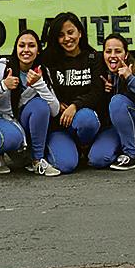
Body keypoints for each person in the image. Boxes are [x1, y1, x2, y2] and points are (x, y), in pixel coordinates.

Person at [0, 30, 61, 176]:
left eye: (31, 46)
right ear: (16, 49)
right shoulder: (3, 66)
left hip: (19, 119)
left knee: (40, 106)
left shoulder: (42, 71)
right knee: (12, 138)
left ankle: (37, 160)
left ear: (38, 51)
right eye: (22, 46)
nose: (26, 50)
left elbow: (54, 110)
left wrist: (39, 84)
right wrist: (2, 85)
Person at [41, 12, 106, 172]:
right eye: (61, 35)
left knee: (87, 119)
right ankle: (69, 149)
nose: (67, 39)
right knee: (66, 165)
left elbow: (97, 91)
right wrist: (56, 104)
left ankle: (86, 146)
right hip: (60, 124)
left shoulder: (94, 58)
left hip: (84, 118)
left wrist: (75, 106)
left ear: (80, 33)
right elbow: (42, 88)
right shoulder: (48, 59)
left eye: (71, 32)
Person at [89, 34, 135, 170]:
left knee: (118, 101)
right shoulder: (104, 73)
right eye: (108, 51)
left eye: (118, 51)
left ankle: (132, 155)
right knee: (97, 159)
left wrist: (130, 78)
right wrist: (106, 93)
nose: (113, 55)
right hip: (118, 130)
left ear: (126, 54)